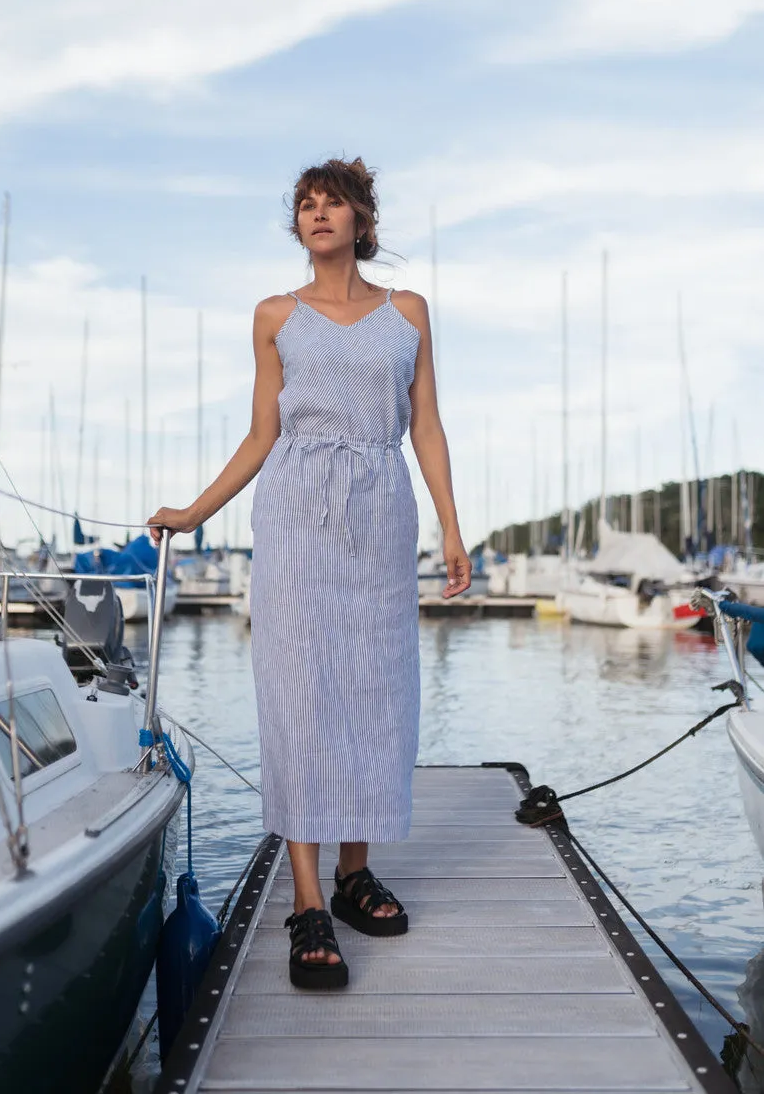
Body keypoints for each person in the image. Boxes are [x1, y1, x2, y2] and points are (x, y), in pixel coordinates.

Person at [148, 157, 471, 989]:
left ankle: (353, 873)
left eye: (333, 203)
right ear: (297, 226)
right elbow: (262, 434)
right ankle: (305, 902)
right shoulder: (273, 316)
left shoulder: (408, 315)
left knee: (374, 690)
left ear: (363, 221)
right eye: (305, 205)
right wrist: (194, 510)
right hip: (296, 515)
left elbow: (425, 427)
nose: (317, 214)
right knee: (300, 694)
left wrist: (453, 529)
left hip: (381, 512)